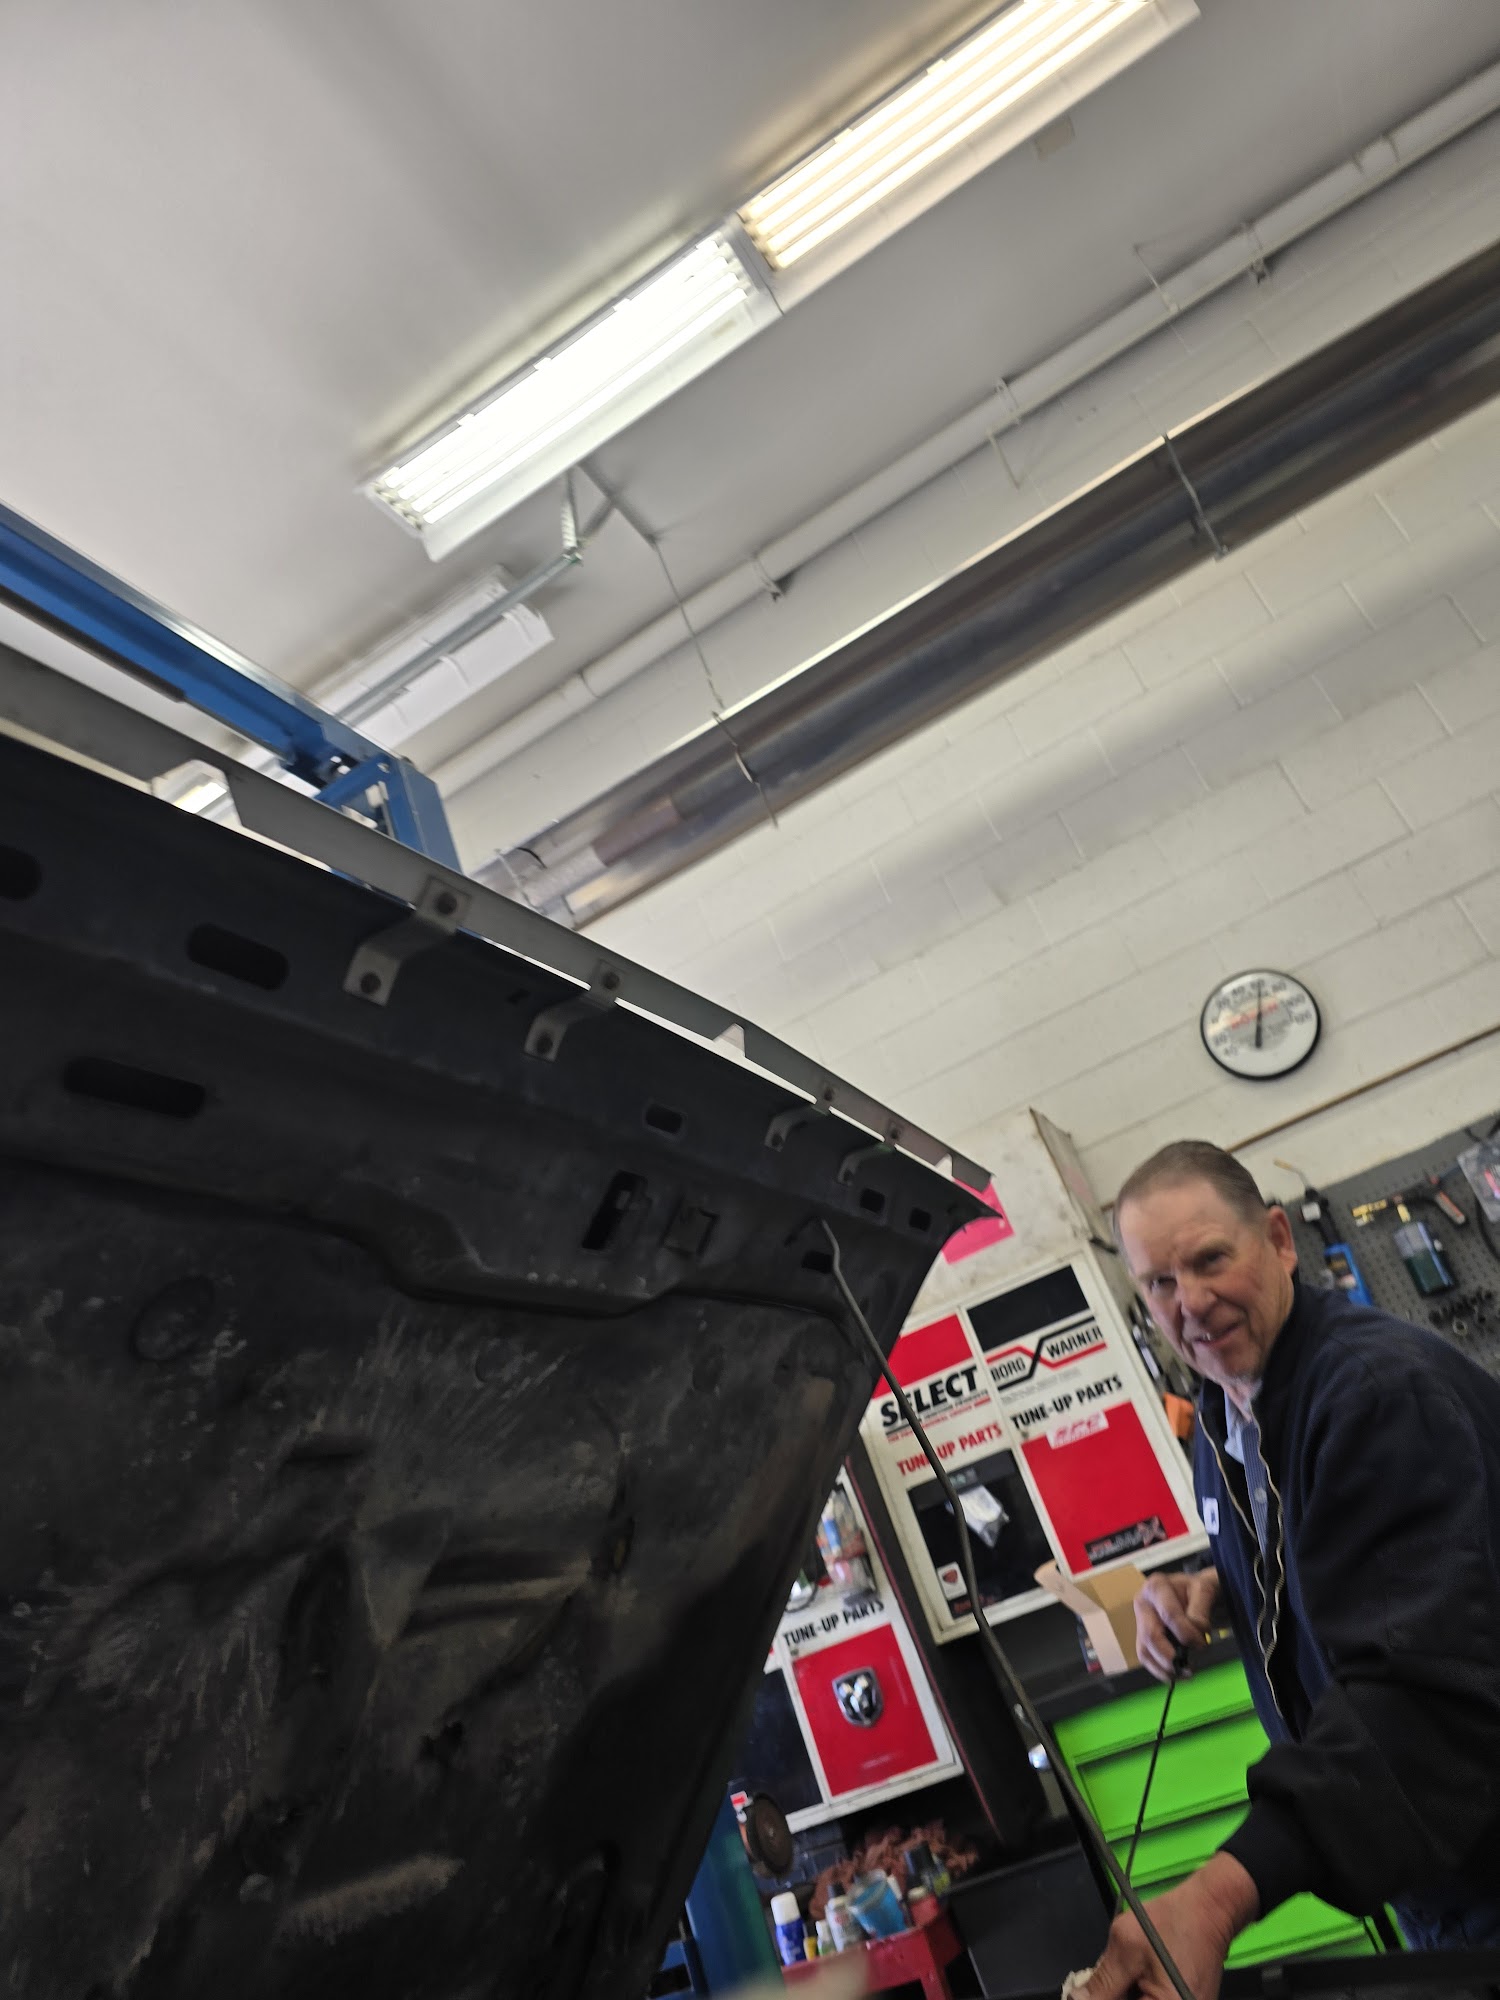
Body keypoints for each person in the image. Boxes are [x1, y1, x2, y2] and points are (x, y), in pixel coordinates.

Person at [1083, 1139, 1500, 2000]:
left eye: (1210, 1260)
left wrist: (1216, 1897)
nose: (1191, 1302)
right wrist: (1216, 1584)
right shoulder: (1225, 1416)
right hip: (1430, 1863)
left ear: (1279, 1240)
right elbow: (1333, 1550)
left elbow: (1421, 1693)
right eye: (1160, 1283)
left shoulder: (1372, 1394)